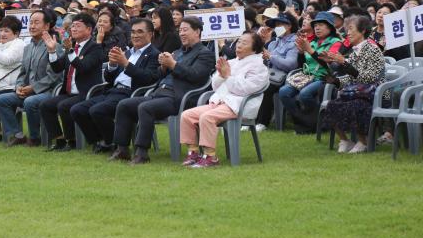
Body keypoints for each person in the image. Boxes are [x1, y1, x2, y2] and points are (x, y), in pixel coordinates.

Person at [110, 16, 214, 164]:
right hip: (159, 93)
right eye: (180, 30)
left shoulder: (205, 53)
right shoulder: (178, 52)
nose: (182, 34)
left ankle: (141, 153)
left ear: (197, 32)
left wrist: (173, 65)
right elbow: (158, 76)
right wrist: (164, 67)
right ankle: (122, 149)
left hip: (180, 97)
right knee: (125, 105)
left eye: (185, 30)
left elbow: (195, 76)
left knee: (145, 108)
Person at [70, 18, 161, 152]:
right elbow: (109, 78)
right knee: (77, 110)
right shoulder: (128, 52)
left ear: (150, 34)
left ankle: (113, 143)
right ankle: (100, 141)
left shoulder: (154, 54)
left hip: (131, 93)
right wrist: (112, 65)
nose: (135, 36)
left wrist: (125, 64)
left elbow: (149, 78)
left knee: (97, 110)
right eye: (133, 32)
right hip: (112, 91)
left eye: (140, 32)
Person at [180, 31, 269, 168]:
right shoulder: (232, 62)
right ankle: (193, 152)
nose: (239, 45)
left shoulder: (259, 67)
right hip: (220, 103)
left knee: (207, 117)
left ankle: (210, 156)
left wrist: (227, 76)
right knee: (187, 115)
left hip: (238, 105)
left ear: (254, 48)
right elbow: (215, 86)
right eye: (239, 41)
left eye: (244, 43)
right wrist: (221, 75)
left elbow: (245, 90)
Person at [0, 10, 62, 146]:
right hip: (28, 90)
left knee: (30, 102)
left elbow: (54, 76)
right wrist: (19, 86)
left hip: (49, 91)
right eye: (30, 22)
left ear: (46, 26)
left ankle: (35, 137)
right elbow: (23, 73)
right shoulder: (28, 48)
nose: (32, 26)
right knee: (1, 99)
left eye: (36, 22)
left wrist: (33, 88)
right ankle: (17, 135)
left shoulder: (55, 47)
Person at [40, 13, 104, 151]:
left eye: (77, 26)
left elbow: (84, 67)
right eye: (72, 26)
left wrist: (69, 51)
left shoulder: (95, 48)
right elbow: (57, 68)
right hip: (69, 92)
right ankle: (59, 140)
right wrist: (51, 51)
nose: (73, 29)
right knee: (46, 105)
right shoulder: (73, 48)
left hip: (86, 92)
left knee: (64, 106)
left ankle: (72, 141)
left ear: (89, 29)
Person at [321, 15, 385, 154]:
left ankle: (364, 142)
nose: (347, 33)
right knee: (332, 105)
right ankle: (345, 140)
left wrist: (344, 62)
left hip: (374, 92)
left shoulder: (373, 49)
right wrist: (335, 81)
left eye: (351, 29)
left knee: (355, 105)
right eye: (346, 29)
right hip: (358, 91)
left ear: (362, 31)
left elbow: (370, 78)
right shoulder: (356, 50)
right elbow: (351, 78)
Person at [278, 11, 342, 133]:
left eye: (321, 25)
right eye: (316, 25)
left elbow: (330, 64)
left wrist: (310, 50)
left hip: (324, 77)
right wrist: (301, 53)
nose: (317, 28)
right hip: (307, 76)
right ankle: (303, 122)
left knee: (304, 94)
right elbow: (302, 65)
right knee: (283, 92)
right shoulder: (312, 43)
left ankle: (319, 123)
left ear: (330, 27)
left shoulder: (336, 42)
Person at [255, 13, 300, 130]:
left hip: (285, 77)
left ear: (289, 26)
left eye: (280, 24)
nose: (277, 27)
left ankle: (262, 122)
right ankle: (249, 120)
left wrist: (271, 57)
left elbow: (291, 64)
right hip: (270, 74)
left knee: (266, 87)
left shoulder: (295, 42)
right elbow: (266, 62)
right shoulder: (274, 42)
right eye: (276, 25)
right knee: (252, 83)